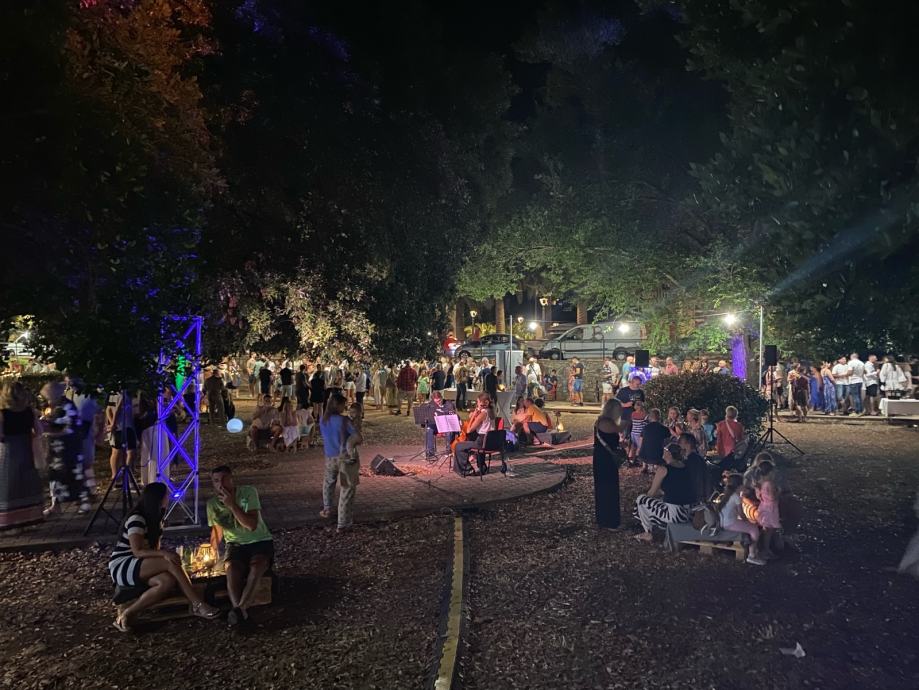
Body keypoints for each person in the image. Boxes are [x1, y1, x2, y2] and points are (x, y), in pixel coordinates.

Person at [110, 482, 220, 631]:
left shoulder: (156, 519)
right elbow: (137, 551)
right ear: (158, 498)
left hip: (141, 564)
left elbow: (154, 549)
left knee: (166, 581)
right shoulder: (137, 518)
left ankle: (127, 614)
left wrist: (163, 556)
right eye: (166, 495)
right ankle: (197, 604)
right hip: (124, 564)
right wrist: (164, 554)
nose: (169, 498)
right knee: (169, 562)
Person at [207, 466, 274, 625]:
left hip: (259, 540)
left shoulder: (248, 492)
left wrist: (232, 505)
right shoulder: (212, 504)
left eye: (224, 479)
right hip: (235, 544)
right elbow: (217, 532)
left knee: (257, 566)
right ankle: (240, 613)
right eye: (216, 481)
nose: (221, 484)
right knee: (231, 570)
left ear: (232, 479)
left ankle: (239, 609)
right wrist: (209, 553)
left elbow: (251, 525)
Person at [0, 381, 44, 529]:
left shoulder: (2, 413)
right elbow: (39, 431)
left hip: (9, 451)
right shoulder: (29, 411)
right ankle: (30, 518)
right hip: (26, 449)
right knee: (27, 483)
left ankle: (11, 521)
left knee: (9, 485)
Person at [42, 382, 91, 515]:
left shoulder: (67, 406)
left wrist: (52, 432)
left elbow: (72, 427)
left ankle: (84, 502)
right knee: (55, 475)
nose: (48, 400)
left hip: (69, 448)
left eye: (49, 397)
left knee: (75, 474)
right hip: (56, 449)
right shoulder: (54, 407)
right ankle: (55, 504)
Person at [319, 392, 363, 530]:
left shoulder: (323, 420)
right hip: (345, 458)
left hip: (329, 456)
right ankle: (343, 522)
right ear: (337, 405)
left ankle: (327, 508)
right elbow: (358, 437)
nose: (345, 407)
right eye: (344, 404)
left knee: (328, 483)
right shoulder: (344, 421)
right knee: (347, 489)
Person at [634, 443, 695, 541]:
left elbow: (651, 493)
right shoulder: (686, 467)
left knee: (641, 500)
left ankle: (647, 532)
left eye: (665, 451)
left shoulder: (663, 469)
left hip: (676, 514)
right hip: (689, 513)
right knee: (658, 500)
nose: (663, 454)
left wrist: (645, 498)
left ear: (669, 454)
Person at [717, 473, 766, 565]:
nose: (744, 486)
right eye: (743, 484)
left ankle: (754, 550)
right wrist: (749, 522)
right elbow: (741, 514)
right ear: (739, 486)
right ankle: (752, 555)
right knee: (754, 529)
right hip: (729, 523)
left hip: (722, 522)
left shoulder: (726, 494)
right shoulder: (736, 497)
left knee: (749, 526)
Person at [592, 399, 624, 529]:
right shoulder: (606, 423)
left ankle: (603, 519)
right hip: (606, 459)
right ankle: (610, 521)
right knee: (609, 488)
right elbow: (619, 428)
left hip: (601, 457)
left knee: (602, 488)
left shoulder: (600, 421)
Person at [453, 393, 502, 476]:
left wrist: (473, 416)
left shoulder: (483, 414)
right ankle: (482, 466)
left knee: (458, 446)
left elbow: (469, 430)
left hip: (482, 442)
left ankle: (467, 469)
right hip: (491, 441)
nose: (477, 403)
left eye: (478, 402)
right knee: (471, 438)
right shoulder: (491, 411)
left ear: (482, 403)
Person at [107, 390, 137, 479]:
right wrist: (113, 424)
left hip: (125, 425)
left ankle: (121, 474)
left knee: (121, 451)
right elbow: (116, 409)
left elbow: (109, 409)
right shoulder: (121, 393)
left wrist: (112, 423)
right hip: (123, 426)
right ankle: (121, 474)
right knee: (126, 451)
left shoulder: (114, 393)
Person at [425, 391, 457, 456]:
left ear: (442, 398)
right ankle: (430, 452)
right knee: (429, 429)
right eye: (436, 401)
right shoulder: (431, 404)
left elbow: (452, 414)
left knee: (450, 431)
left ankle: (449, 450)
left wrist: (442, 411)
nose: (438, 403)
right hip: (436, 425)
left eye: (439, 400)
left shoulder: (448, 403)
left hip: (446, 425)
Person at [715, 406, 745, 472]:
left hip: (724, 451)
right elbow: (741, 439)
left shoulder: (721, 424)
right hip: (735, 452)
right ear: (736, 415)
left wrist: (719, 451)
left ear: (726, 414)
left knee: (723, 470)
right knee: (732, 470)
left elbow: (719, 440)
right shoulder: (739, 425)